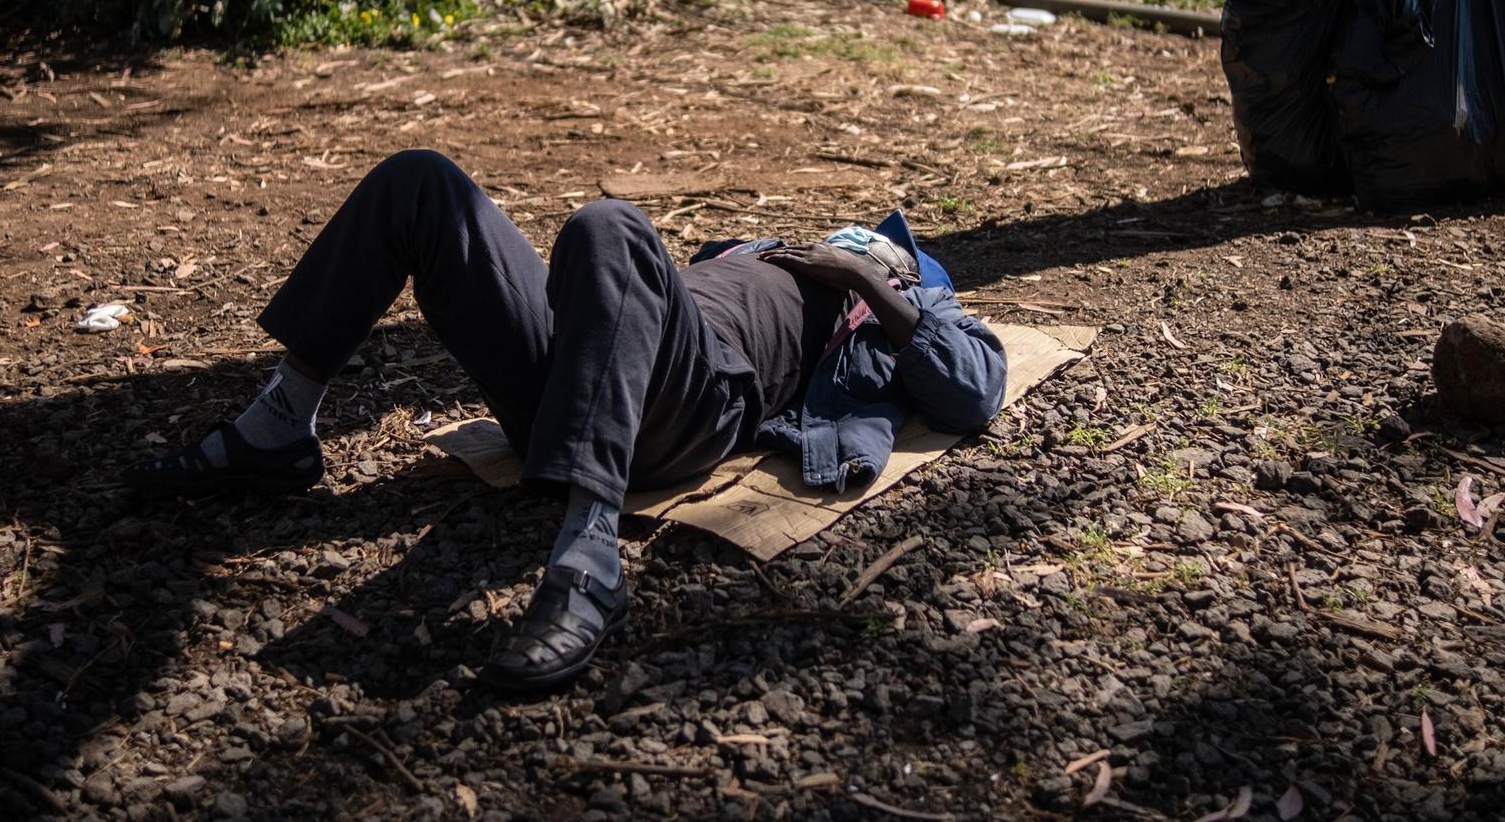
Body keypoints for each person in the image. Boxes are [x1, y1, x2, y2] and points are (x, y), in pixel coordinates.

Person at [127, 149, 1007, 691]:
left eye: (880, 243)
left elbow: (974, 386)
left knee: (607, 223)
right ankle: (282, 420)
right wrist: (774, 255)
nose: (857, 238)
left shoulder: (893, 307)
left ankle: (588, 550)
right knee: (420, 182)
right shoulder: (752, 252)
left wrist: (860, 280)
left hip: (697, 401)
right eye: (851, 236)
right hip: (584, 368)